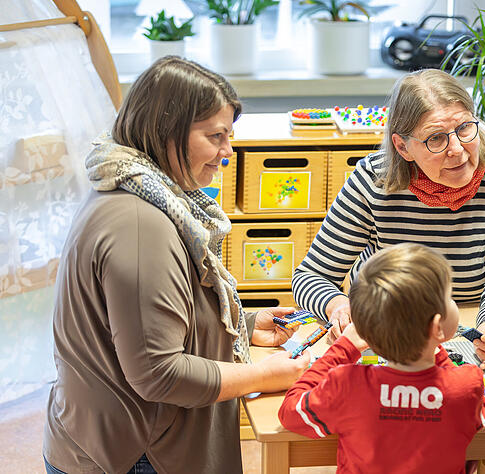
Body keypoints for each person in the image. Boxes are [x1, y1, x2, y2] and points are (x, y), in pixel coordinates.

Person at [42, 57, 310, 474]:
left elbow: (144, 323)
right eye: (215, 136)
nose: (228, 151)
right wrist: (266, 376)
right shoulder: (141, 227)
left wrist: (242, 322)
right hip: (134, 455)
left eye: (229, 135)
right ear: (166, 133)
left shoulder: (143, 194)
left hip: (119, 441)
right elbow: (159, 373)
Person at [292, 68, 485, 369]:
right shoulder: (373, 180)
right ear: (402, 146)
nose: (457, 150)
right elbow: (310, 277)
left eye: (465, 129)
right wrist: (339, 307)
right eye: (436, 139)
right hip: (387, 334)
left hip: (465, 333)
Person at [280, 243, 485, 473]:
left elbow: (290, 412)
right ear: (437, 327)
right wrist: (435, 350)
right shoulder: (467, 384)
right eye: (449, 297)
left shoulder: (347, 385)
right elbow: (477, 415)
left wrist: (343, 348)